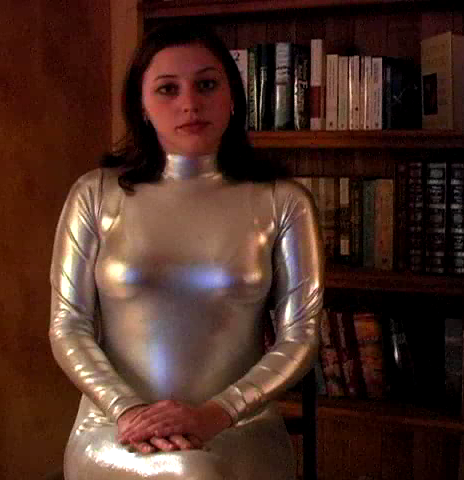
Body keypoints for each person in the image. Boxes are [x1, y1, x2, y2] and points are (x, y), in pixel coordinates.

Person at [49, 23, 323, 480]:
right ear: (141, 104)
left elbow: (301, 336)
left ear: (233, 97)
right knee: (188, 472)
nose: (190, 103)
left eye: (206, 84)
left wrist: (218, 413)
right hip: (115, 427)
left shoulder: (284, 201)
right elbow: (68, 324)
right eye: (167, 89)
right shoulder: (94, 195)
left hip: (239, 427)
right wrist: (127, 409)